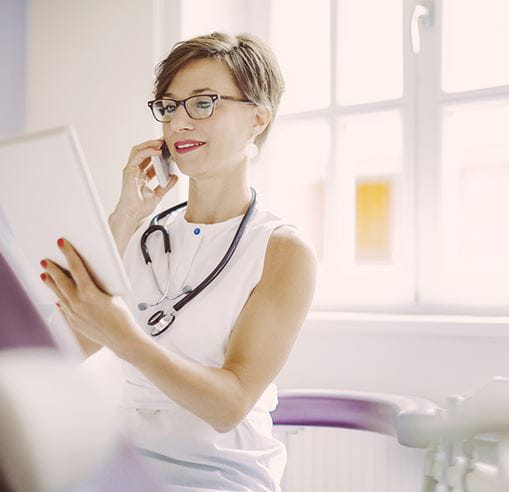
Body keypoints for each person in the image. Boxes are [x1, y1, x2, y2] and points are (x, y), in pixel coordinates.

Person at [38, 32, 316, 491]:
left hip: (220, 475)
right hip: (123, 466)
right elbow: (61, 350)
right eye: (169, 106)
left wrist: (126, 339)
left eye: (203, 103)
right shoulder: (145, 234)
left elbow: (228, 406)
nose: (180, 122)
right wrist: (126, 213)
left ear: (258, 118)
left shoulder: (283, 251)